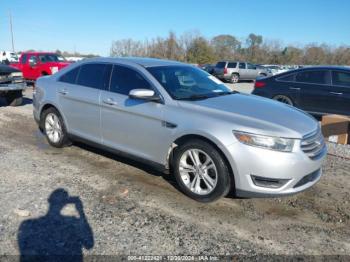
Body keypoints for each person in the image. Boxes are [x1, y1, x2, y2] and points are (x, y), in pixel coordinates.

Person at [18, 189, 94, 262]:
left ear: (49, 200)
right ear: (65, 203)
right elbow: (89, 245)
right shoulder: (72, 221)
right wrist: (81, 211)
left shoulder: (26, 224)